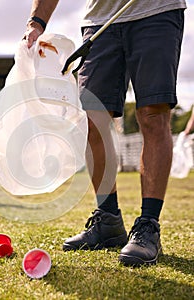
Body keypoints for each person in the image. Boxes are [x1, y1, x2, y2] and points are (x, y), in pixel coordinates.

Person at [24, 0, 186, 266]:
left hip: (156, 12)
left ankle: (148, 225)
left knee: (153, 115)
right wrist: (36, 22)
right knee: (90, 120)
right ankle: (108, 220)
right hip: (99, 22)